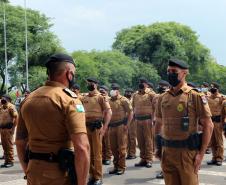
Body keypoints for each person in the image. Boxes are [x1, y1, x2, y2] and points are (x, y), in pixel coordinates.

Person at [15, 53, 90, 185]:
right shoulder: (69, 100)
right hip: (60, 175)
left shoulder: (28, 99)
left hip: (33, 173)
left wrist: (27, 170)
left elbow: (20, 142)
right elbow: (82, 147)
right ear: (69, 74)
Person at [155, 58, 213, 185]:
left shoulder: (195, 96)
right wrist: (158, 147)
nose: (170, 74)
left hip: (187, 153)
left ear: (184, 73)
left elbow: (208, 126)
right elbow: (158, 123)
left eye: (174, 71)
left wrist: (201, 154)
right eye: (168, 71)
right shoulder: (162, 98)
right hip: (167, 152)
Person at [81, 78, 112, 185]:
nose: (89, 84)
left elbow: (108, 112)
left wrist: (105, 127)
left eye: (92, 83)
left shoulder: (100, 97)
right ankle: (91, 175)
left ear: (96, 85)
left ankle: (98, 177)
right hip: (85, 127)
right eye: (88, 83)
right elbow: (78, 111)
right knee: (88, 153)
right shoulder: (83, 98)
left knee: (97, 154)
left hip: (96, 127)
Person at [108, 83, 133, 175]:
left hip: (120, 126)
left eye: (114, 89)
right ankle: (115, 166)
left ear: (118, 91)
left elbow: (130, 112)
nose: (112, 90)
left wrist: (127, 125)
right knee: (113, 148)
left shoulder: (124, 100)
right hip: (111, 126)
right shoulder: (108, 100)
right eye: (112, 88)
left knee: (122, 148)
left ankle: (121, 167)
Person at [132, 77, 156, 168]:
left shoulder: (151, 94)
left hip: (147, 120)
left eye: (143, 82)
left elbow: (155, 107)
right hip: (138, 120)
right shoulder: (135, 95)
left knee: (148, 140)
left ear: (146, 84)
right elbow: (133, 107)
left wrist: (153, 119)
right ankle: (143, 159)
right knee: (140, 140)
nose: (141, 84)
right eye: (140, 82)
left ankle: (149, 159)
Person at [153, 80, 170, 179]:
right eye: (160, 85)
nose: (161, 87)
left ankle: (168, 171)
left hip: (170, 126)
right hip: (159, 126)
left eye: (163, 86)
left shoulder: (171, 97)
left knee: (169, 151)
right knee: (161, 151)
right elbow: (153, 110)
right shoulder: (156, 97)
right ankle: (164, 170)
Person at [206, 82, 225, 166]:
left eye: (214, 87)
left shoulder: (221, 98)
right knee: (212, 141)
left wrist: (223, 122)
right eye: (211, 87)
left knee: (219, 141)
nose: (212, 88)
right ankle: (214, 157)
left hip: (218, 121)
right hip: (210, 121)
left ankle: (219, 158)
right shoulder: (208, 98)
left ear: (217, 89)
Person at [0, 94, 18, 168]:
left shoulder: (11, 107)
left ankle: (10, 161)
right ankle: (6, 161)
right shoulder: (1, 107)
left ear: (7, 99)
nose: (2, 99)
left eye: (4, 98)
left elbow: (16, 117)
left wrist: (13, 128)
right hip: (2, 129)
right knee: (4, 146)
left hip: (8, 129)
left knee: (9, 146)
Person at [99, 85, 112, 165]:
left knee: (107, 141)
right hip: (99, 122)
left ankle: (107, 157)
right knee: (101, 141)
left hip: (108, 122)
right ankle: (102, 157)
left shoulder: (110, 100)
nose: (102, 93)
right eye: (100, 91)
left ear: (107, 91)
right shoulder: (99, 99)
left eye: (103, 91)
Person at [124, 88, 137, 160]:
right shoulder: (124, 100)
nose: (127, 93)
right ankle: (128, 153)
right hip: (125, 120)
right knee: (127, 138)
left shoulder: (133, 100)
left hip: (132, 121)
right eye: (126, 92)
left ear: (132, 93)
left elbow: (134, 110)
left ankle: (132, 153)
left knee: (132, 137)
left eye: (129, 92)